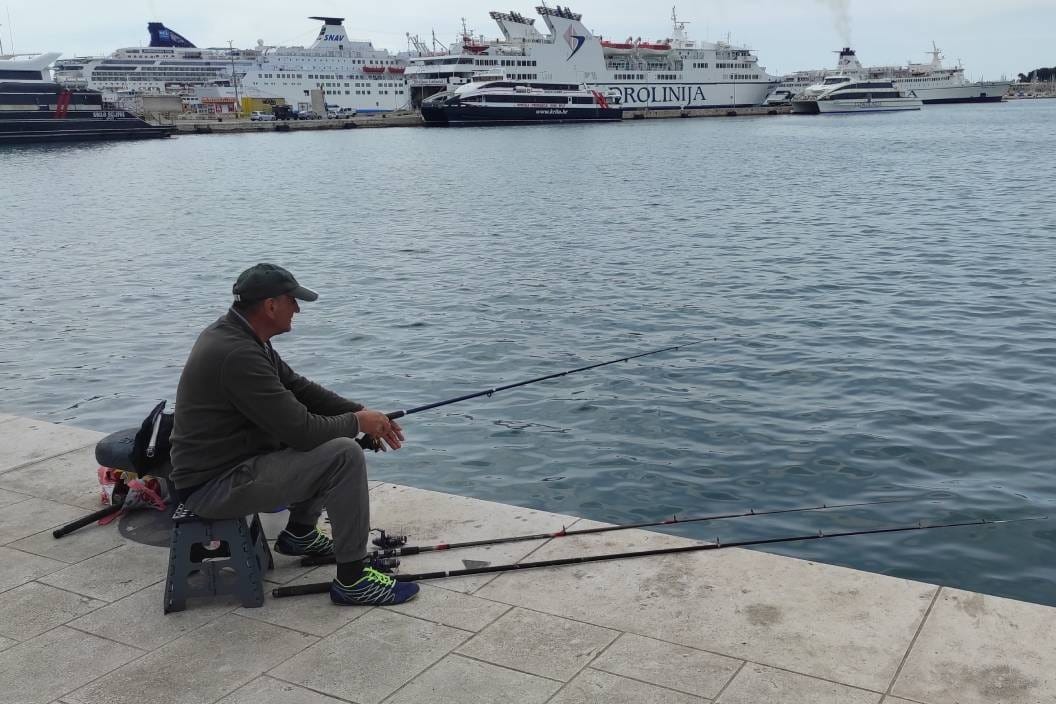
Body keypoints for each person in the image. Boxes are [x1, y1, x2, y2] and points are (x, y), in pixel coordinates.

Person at [168, 263, 419, 606]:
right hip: (213, 486)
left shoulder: (241, 335)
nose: (298, 309)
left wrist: (365, 414)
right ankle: (353, 580)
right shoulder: (238, 353)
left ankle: (300, 533)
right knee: (343, 454)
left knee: (334, 436)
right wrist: (357, 423)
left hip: (227, 467)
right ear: (271, 306)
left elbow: (299, 388)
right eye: (292, 301)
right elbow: (302, 431)